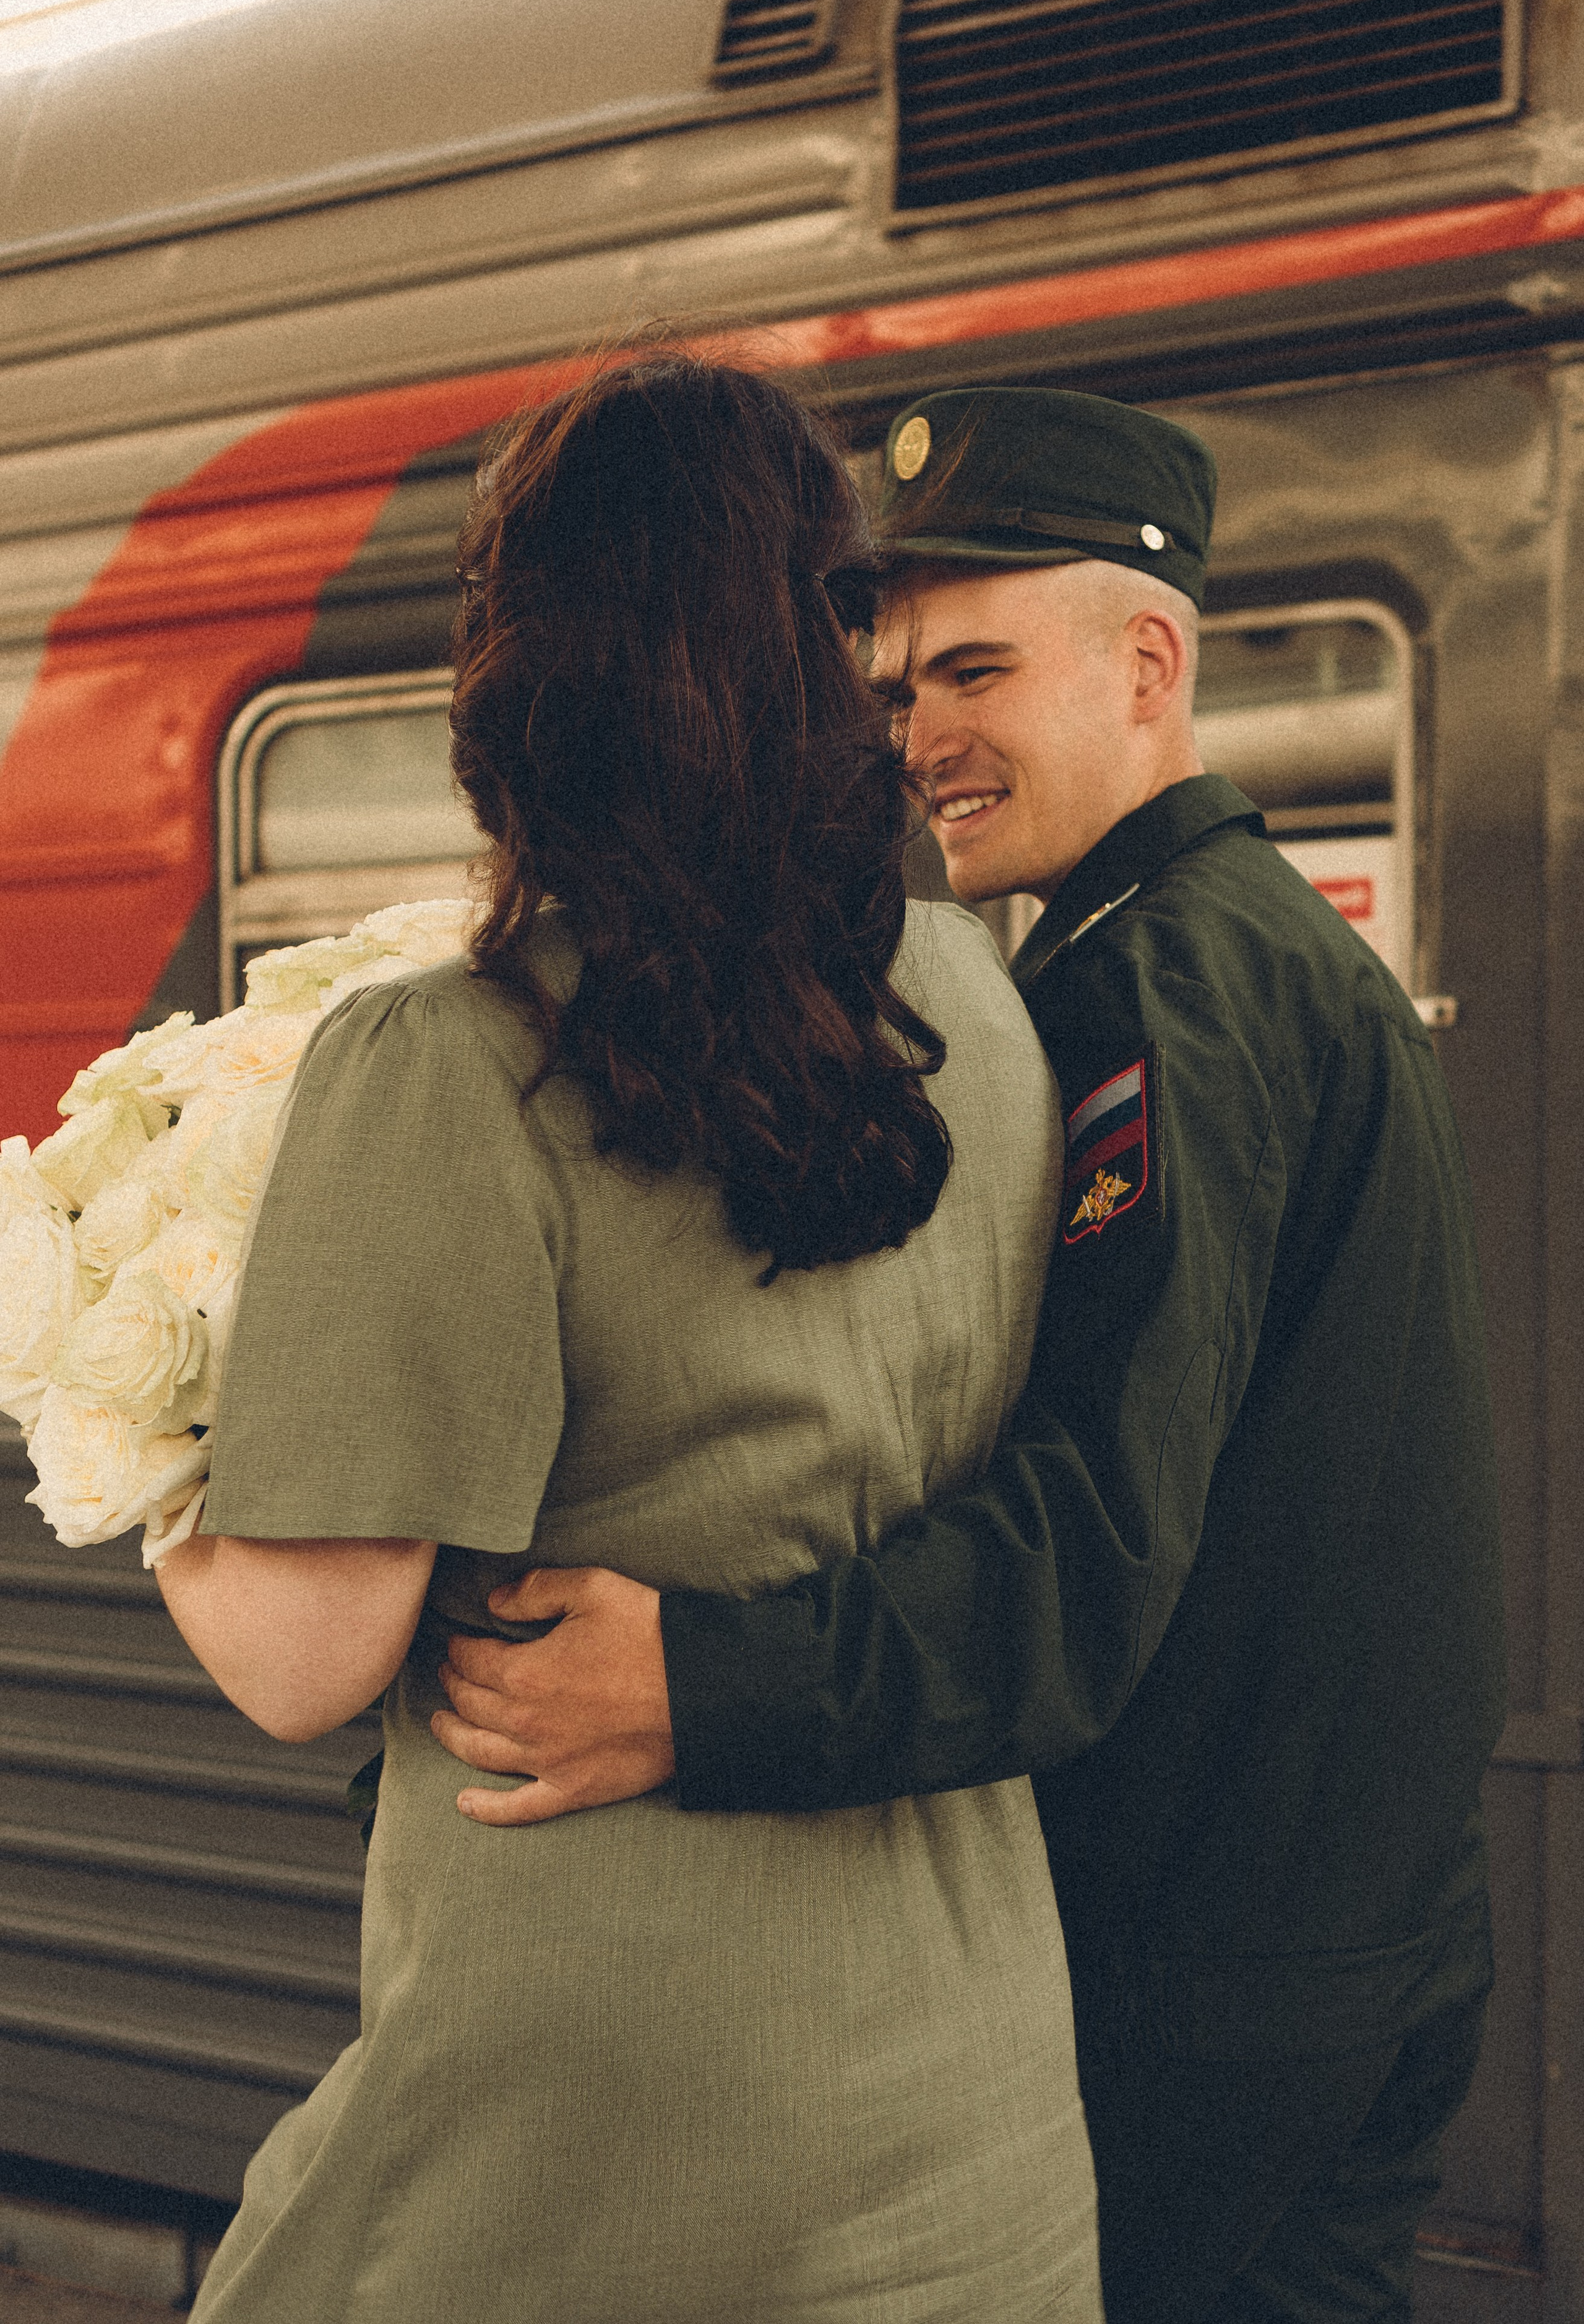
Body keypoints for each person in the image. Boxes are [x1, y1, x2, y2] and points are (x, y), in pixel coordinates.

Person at [432, 387, 1509, 2323]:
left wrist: (699, 1682)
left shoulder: (1151, 993)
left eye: (978, 671)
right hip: (1343, 1934)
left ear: (1153, 664)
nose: (919, 736)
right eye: (897, 680)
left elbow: (1089, 1544)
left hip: (1203, 1970)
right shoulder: (1267, 951)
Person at [155, 356, 1105, 2323]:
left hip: (599, 2098)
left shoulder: (461, 1062)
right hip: (967, 2068)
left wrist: (153, 1460)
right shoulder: (972, 1001)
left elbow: (309, 1657)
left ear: (521, 671)